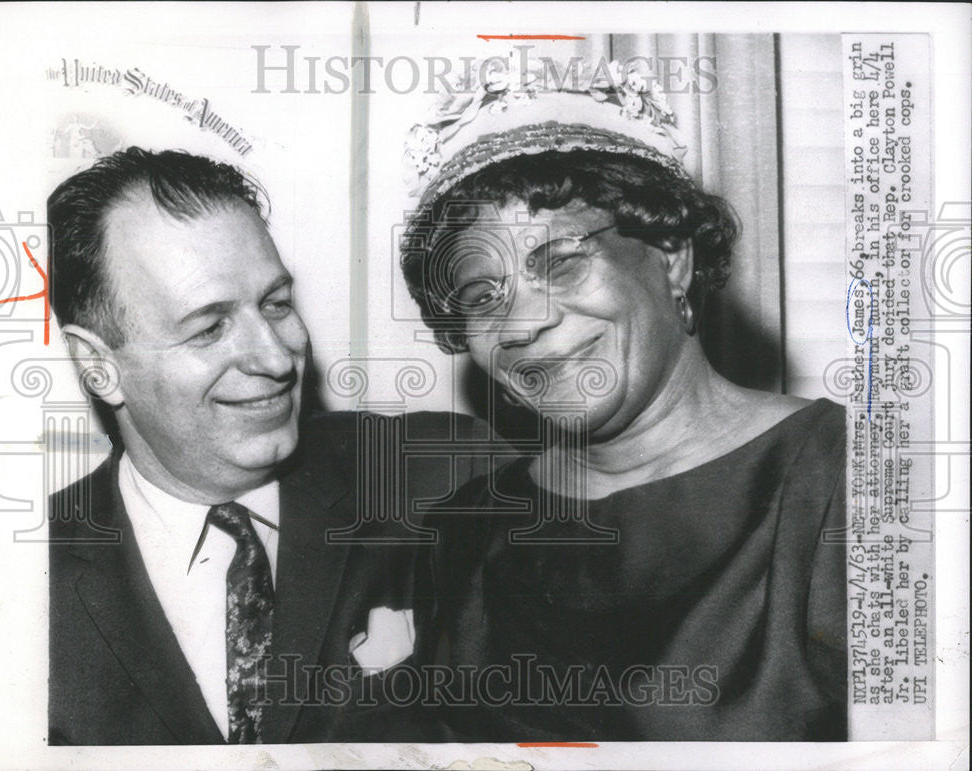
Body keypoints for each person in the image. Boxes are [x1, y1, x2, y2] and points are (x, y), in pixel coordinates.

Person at [401, 61, 847, 740]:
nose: (521, 325)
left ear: (671, 257)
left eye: (560, 262)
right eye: (482, 298)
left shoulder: (845, 479)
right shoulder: (461, 529)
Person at [47, 147, 493, 745]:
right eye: (209, 328)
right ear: (98, 366)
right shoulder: (20, 578)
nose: (277, 357)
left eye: (277, 304)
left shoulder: (442, 472)